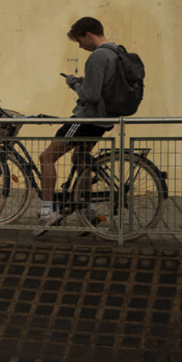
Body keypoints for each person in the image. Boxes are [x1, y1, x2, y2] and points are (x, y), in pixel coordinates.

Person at [38, 16, 120, 225]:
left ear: (88, 35)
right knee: (80, 159)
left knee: (47, 157)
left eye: (79, 41)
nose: (80, 46)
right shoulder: (117, 52)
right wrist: (87, 83)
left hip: (87, 119)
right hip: (104, 120)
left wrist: (74, 83)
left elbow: (90, 96)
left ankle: (47, 211)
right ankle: (87, 208)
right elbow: (102, 87)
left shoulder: (97, 57)